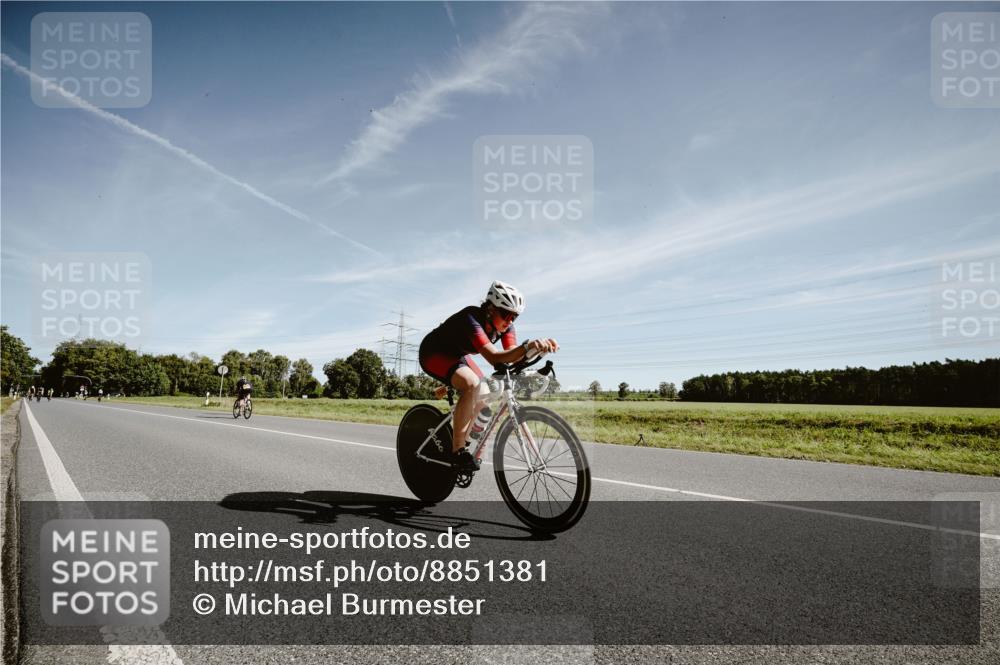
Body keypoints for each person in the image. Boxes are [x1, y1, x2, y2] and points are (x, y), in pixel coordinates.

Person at [418, 281, 558, 472]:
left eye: (514, 317)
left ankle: (468, 441)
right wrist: (526, 347)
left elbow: (510, 356)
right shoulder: (471, 318)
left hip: (458, 356)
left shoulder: (505, 328)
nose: (509, 321)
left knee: (485, 398)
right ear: (491, 309)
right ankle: (458, 451)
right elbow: (494, 358)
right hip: (434, 352)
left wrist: (537, 350)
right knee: (470, 383)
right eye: (506, 314)